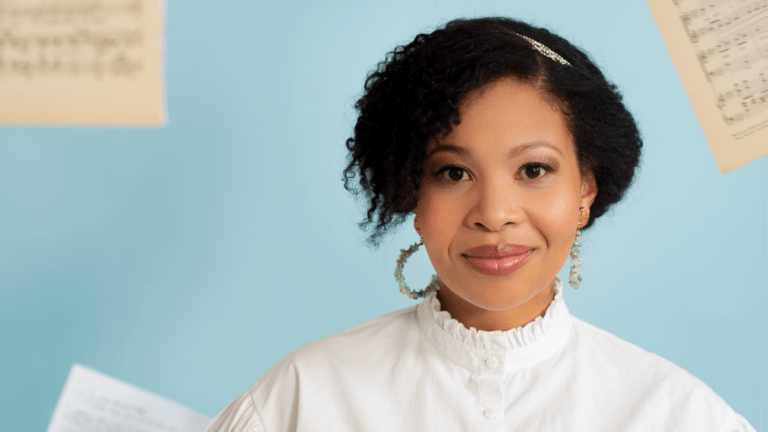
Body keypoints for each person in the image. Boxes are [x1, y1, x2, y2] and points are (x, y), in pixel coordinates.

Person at [205, 17, 756, 431]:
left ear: (585, 188)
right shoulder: (302, 400)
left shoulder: (678, 416)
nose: (494, 214)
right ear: (411, 194)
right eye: (453, 172)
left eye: (533, 170)